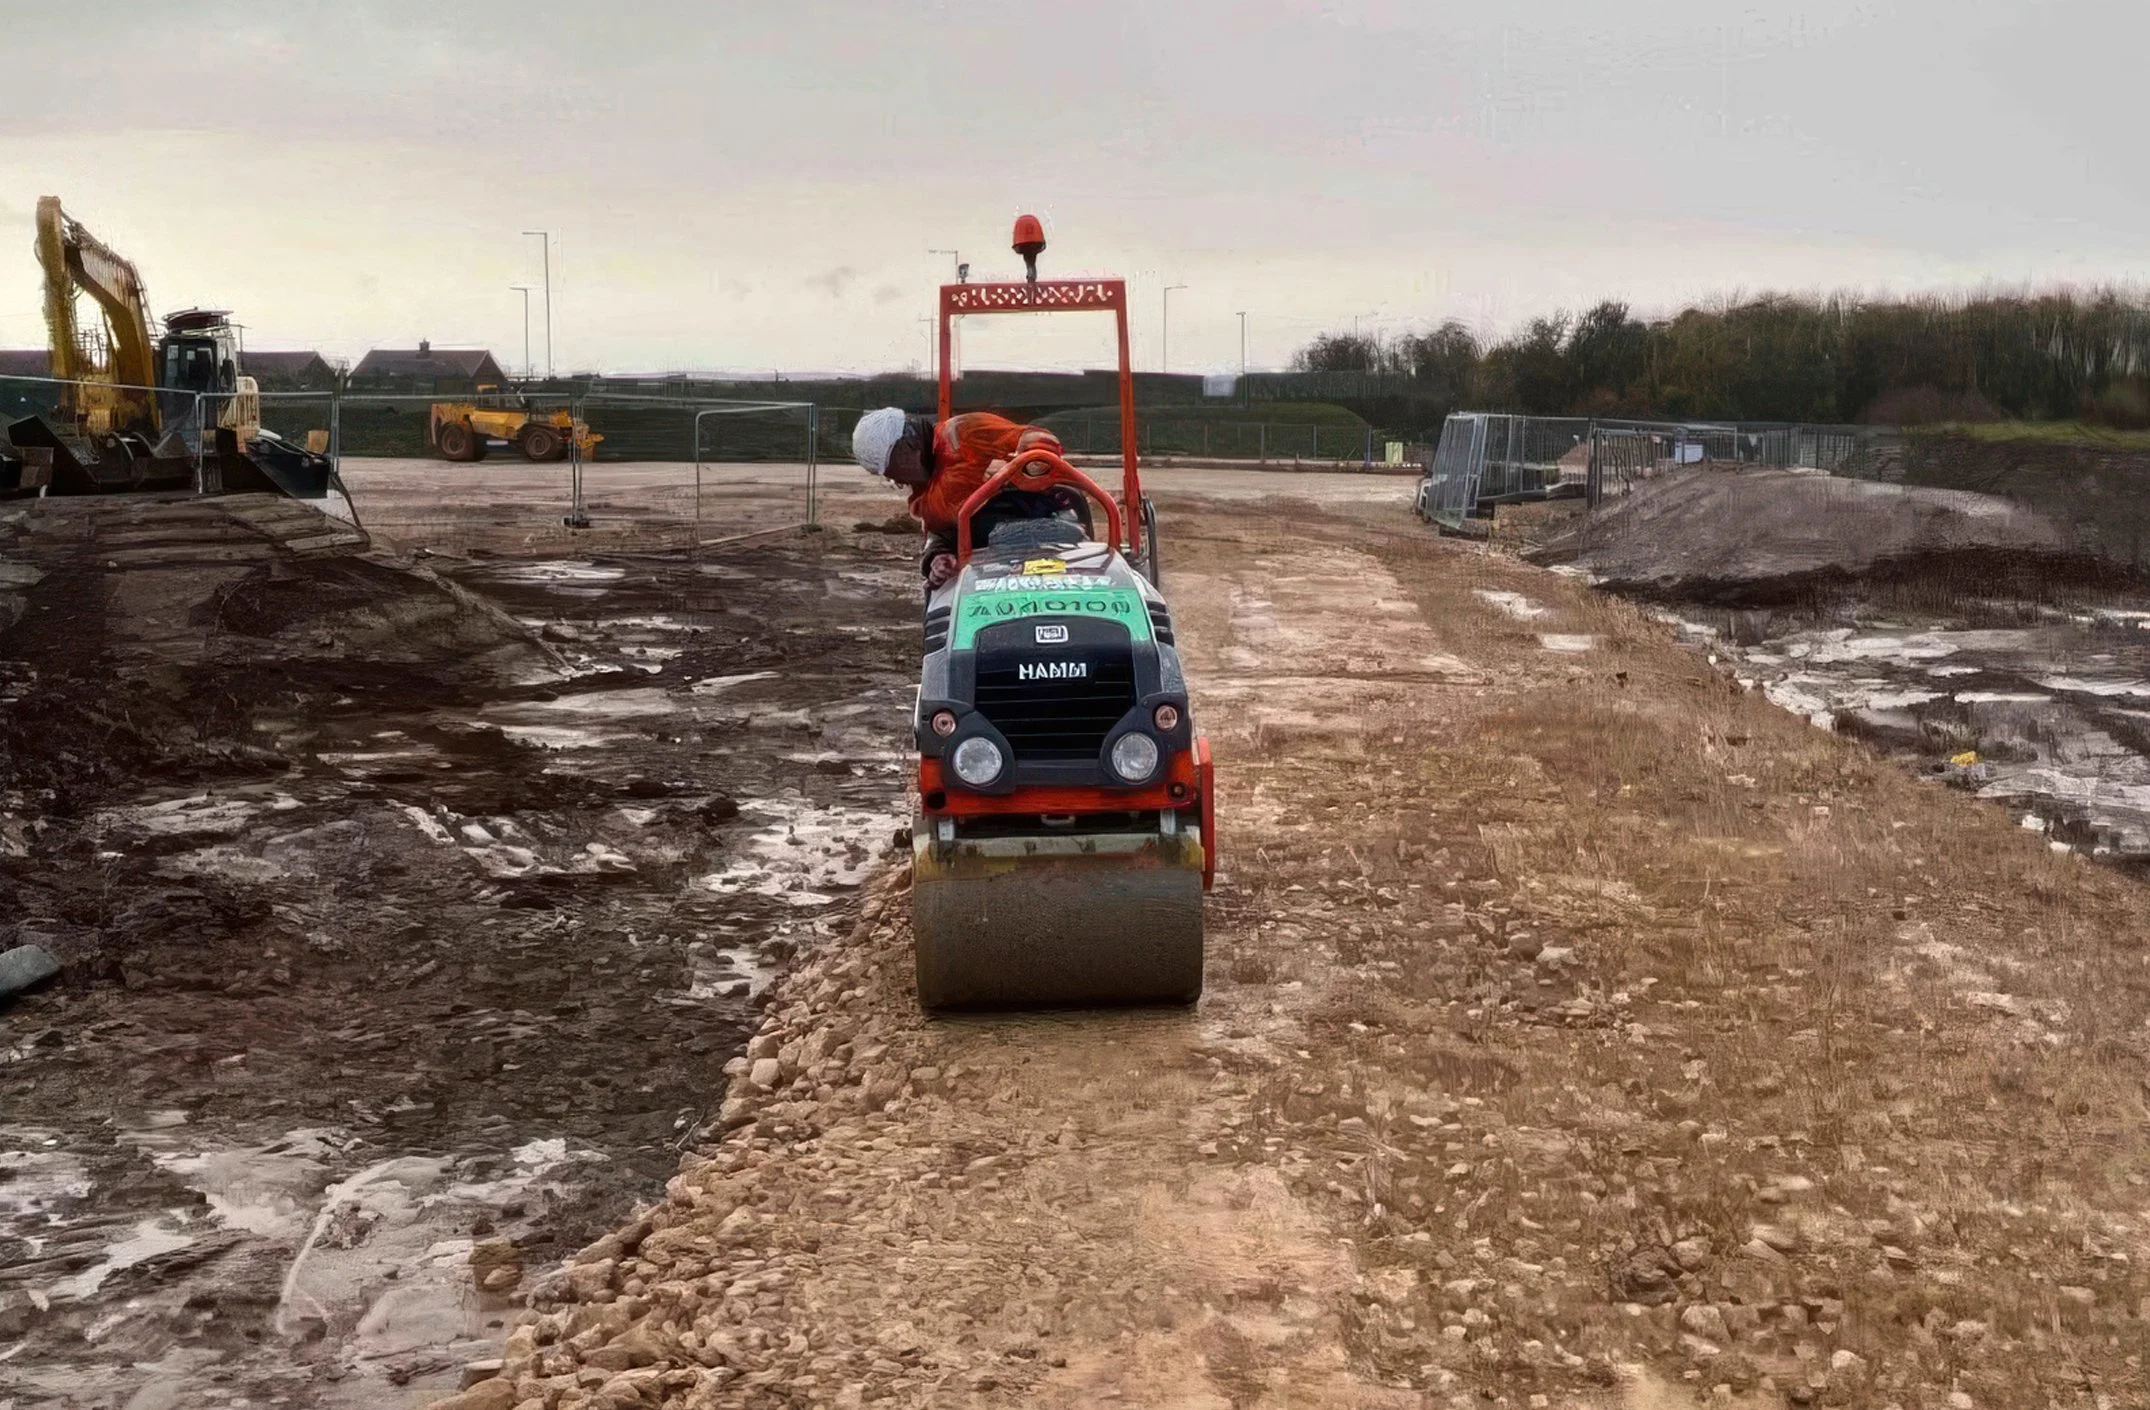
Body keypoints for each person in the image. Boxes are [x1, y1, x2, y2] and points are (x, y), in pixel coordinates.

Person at [851, 407, 1077, 587]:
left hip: (1043, 520)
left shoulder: (964, 432)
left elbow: (1039, 441)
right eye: (890, 476)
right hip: (992, 559)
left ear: (907, 446)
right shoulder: (926, 500)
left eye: (894, 470)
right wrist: (938, 558)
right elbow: (940, 534)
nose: (898, 480)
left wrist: (1028, 463)